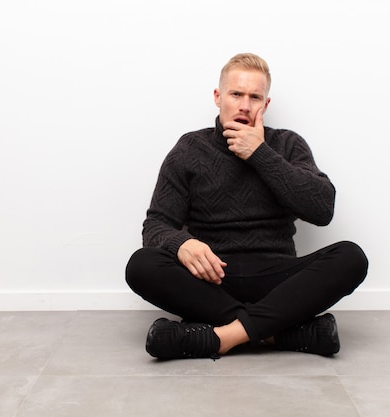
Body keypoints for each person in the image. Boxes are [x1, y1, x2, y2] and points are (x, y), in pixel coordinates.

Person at [125, 53, 368, 360]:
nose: (244, 105)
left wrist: (260, 154)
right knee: (141, 265)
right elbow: (156, 225)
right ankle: (277, 333)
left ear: (265, 105)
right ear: (218, 97)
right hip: (210, 279)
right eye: (236, 94)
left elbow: (323, 209)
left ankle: (222, 337)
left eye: (255, 97)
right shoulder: (189, 148)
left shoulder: (287, 145)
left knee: (351, 257)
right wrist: (182, 243)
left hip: (277, 278)